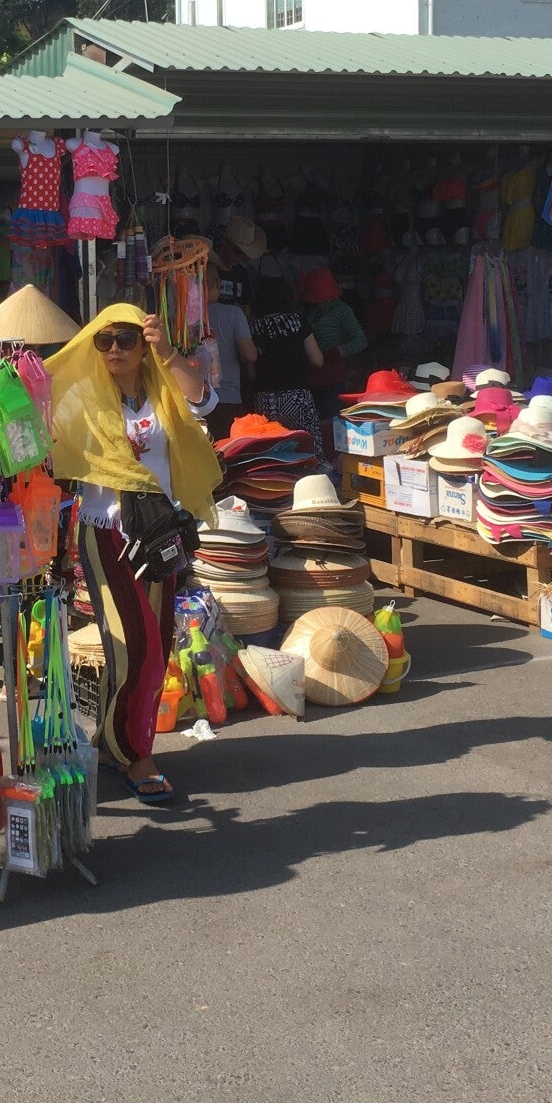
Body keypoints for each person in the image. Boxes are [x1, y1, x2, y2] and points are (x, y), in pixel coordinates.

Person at [48, 304, 221, 805]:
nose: (115, 349)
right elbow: (43, 438)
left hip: (159, 534)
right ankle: (136, 754)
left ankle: (111, 741)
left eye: (126, 339)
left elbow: (205, 402)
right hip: (107, 534)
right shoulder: (81, 396)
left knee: (155, 642)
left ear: (143, 344)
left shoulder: (163, 387)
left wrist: (168, 353)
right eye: (104, 341)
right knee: (136, 645)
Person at [250, 277, 326, 444]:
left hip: (266, 398)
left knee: (272, 449)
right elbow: (317, 360)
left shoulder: (254, 327)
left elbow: (251, 372)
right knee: (307, 446)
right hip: (297, 396)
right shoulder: (297, 322)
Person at [301, 267, 367, 430]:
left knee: (330, 422)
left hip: (332, 375)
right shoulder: (309, 310)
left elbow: (361, 340)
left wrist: (339, 352)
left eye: (322, 299)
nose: (319, 303)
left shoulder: (342, 310)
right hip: (311, 374)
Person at [202, 266, 256, 439]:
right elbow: (250, 354)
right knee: (226, 450)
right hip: (227, 398)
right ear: (218, 283)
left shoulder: (181, 316)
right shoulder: (233, 313)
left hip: (194, 400)